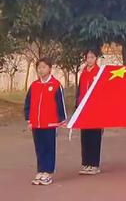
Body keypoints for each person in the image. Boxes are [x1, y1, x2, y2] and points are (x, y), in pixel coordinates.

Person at [25, 58, 67, 186]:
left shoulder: (55, 85)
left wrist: (62, 120)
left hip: (50, 123)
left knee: (49, 147)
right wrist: (29, 119)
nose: (41, 69)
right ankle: (41, 170)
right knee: (39, 147)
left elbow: (61, 104)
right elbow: (28, 104)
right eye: (39, 67)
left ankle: (48, 172)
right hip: (36, 123)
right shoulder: (34, 85)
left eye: (43, 67)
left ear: (49, 68)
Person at [77, 49, 103, 174]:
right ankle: (86, 163)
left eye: (92, 57)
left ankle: (94, 164)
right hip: (84, 110)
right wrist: (78, 106)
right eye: (88, 57)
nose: (89, 59)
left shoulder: (99, 72)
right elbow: (79, 90)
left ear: (96, 58)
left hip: (96, 110)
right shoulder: (83, 73)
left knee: (95, 137)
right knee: (85, 136)